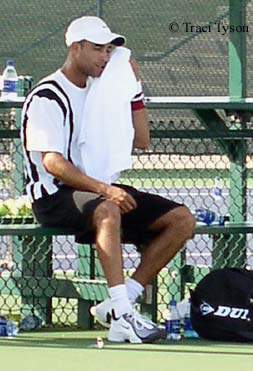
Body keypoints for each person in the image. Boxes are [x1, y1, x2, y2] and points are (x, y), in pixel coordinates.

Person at [20, 16, 196, 343]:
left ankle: (121, 302)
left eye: (107, 51)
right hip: (53, 196)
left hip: (96, 189)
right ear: (76, 49)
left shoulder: (104, 91)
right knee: (108, 209)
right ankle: (121, 313)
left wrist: (134, 89)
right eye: (98, 49)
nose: (105, 57)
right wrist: (106, 190)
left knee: (182, 220)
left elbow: (142, 140)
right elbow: (53, 163)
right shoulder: (47, 95)